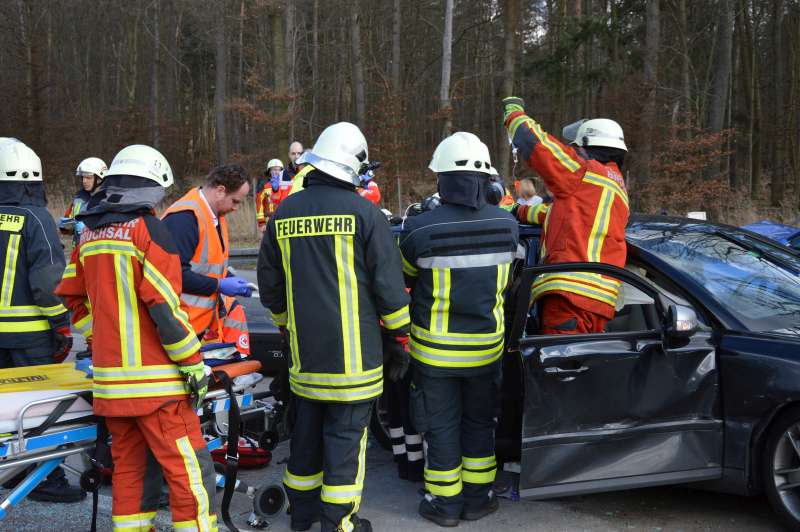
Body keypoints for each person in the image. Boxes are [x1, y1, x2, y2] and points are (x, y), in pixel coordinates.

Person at [55, 144, 218, 531]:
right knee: (190, 472)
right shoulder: (149, 232)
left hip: (112, 387)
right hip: (157, 387)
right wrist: (194, 365)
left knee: (130, 472)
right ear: (152, 190)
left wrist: (103, 335)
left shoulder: (89, 235)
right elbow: (166, 310)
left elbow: (70, 295)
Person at [258, 122, 411, 532]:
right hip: (355, 362)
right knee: (345, 445)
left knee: (305, 438)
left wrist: (289, 328)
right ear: (353, 167)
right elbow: (389, 289)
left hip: (305, 360)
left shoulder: (283, 213)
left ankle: (301, 517)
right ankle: (339, 524)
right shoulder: (366, 214)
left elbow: (270, 287)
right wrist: (399, 340)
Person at [399, 132, 520, 527]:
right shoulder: (508, 226)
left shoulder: (420, 230)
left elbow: (404, 278)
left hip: (435, 354)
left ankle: (444, 504)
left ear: (443, 179)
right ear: (486, 178)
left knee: (442, 427)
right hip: (486, 350)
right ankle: (478, 499)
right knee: (480, 425)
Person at [0, 138, 84, 503]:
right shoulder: (36, 219)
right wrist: (62, 326)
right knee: (40, 413)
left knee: (3, 414)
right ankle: (43, 480)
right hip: (29, 337)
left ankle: (8, 471)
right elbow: (48, 282)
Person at [503, 96, 629, 334]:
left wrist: (514, 115)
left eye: (575, 149)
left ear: (586, 148)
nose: (573, 153)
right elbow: (560, 216)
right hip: (599, 301)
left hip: (570, 298)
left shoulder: (585, 172)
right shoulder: (615, 187)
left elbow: (539, 146)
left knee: (557, 368)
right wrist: (517, 211)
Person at [162, 164, 253, 341]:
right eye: (235, 201)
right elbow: (173, 275)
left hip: (199, 326)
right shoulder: (185, 218)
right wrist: (219, 285)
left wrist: (227, 277)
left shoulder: (214, 217)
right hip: (181, 327)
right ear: (220, 191)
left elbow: (205, 265)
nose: (236, 208)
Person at [59, 157, 107, 241]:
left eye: (88, 178)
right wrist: (65, 227)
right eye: (83, 177)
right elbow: (70, 229)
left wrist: (87, 229)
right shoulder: (78, 198)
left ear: (99, 179)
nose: (84, 181)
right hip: (79, 251)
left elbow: (113, 232)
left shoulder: (108, 200)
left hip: (95, 251)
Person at [255, 158, 285, 233]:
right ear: (269, 171)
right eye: (274, 170)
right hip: (269, 220)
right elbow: (259, 204)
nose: (276, 172)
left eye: (279, 170)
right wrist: (261, 223)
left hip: (283, 219)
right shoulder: (264, 185)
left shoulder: (285, 184)